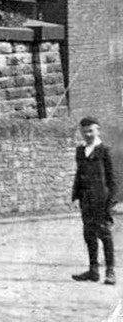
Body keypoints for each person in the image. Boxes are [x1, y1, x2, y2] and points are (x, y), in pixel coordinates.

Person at [71, 116, 116, 285]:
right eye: (84, 132)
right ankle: (93, 270)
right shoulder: (80, 151)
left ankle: (110, 271)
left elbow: (113, 178)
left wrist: (110, 202)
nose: (87, 134)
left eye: (91, 131)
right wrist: (75, 196)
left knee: (105, 234)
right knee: (89, 235)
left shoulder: (105, 150)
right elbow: (79, 175)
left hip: (101, 200)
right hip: (86, 200)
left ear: (98, 130)